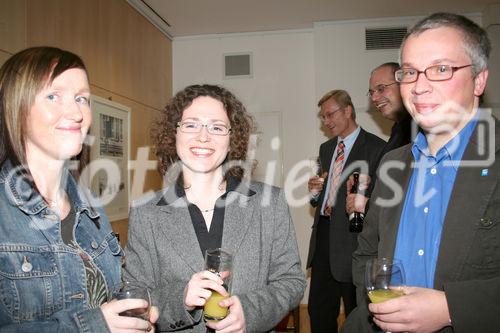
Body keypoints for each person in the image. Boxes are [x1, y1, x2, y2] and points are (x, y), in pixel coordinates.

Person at [342, 12, 499, 333]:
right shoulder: (393, 164)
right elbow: (367, 253)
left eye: (441, 69)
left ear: (479, 79)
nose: (419, 86)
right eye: (410, 72)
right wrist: (370, 310)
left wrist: (452, 308)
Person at [123, 84, 306, 332]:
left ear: (232, 141)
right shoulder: (146, 213)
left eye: (217, 127)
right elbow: (137, 298)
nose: (203, 136)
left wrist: (250, 312)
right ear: (173, 134)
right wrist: (182, 298)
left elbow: (291, 281)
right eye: (191, 124)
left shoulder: (270, 203)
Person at [0, 46, 158, 332]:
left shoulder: (90, 205)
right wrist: (94, 326)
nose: (75, 112)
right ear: (15, 106)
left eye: (81, 98)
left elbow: (112, 294)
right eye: (53, 96)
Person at [306, 90, 385, 332]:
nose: (326, 122)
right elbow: (322, 195)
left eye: (330, 115)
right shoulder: (326, 148)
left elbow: (385, 201)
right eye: (322, 117)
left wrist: (365, 200)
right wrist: (315, 193)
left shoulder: (377, 148)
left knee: (357, 312)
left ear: (348, 110)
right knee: (319, 310)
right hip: (323, 238)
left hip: (355, 241)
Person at [346, 62, 413, 222]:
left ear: (403, 83)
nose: (375, 98)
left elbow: (414, 200)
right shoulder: (400, 129)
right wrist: (372, 181)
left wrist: (367, 205)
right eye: (371, 92)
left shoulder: (420, 131)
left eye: (381, 88)